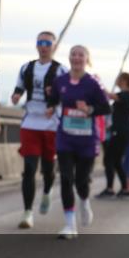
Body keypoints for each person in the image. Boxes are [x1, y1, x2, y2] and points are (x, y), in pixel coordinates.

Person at [45, 45, 110, 239]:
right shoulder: (60, 81)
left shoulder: (92, 83)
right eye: (73, 54)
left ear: (86, 59)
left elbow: (106, 108)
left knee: (81, 181)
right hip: (65, 137)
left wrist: (89, 109)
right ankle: (69, 225)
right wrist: (51, 107)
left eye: (81, 55)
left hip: (86, 140)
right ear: (69, 58)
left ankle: (84, 200)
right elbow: (54, 99)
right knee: (66, 179)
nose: (76, 58)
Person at [11, 30, 68, 229]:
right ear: (36, 45)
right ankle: (27, 212)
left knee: (48, 167)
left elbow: (66, 94)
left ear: (54, 47)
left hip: (51, 124)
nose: (44, 47)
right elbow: (19, 87)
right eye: (41, 43)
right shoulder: (26, 67)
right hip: (30, 122)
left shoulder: (61, 70)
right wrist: (16, 96)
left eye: (47, 43)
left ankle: (47, 190)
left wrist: (55, 101)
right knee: (29, 168)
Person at [99, 72, 129, 197]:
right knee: (117, 161)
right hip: (121, 131)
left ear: (124, 81)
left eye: (119, 79)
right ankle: (125, 187)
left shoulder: (125, 95)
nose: (116, 81)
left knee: (109, 159)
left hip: (120, 132)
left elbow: (110, 95)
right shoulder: (125, 95)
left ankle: (110, 188)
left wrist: (99, 84)